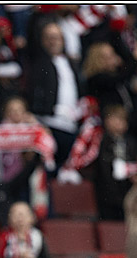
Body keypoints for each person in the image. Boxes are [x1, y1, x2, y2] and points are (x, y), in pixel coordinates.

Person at [27, 21, 81, 169]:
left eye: (56, 37)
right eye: (49, 37)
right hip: (48, 125)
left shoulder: (71, 64)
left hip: (71, 125)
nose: (53, 42)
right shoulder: (38, 64)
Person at [93, 105, 137, 221]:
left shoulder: (130, 142)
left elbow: (133, 162)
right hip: (106, 190)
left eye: (122, 120)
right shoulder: (101, 139)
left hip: (125, 189)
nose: (119, 123)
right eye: (116, 119)